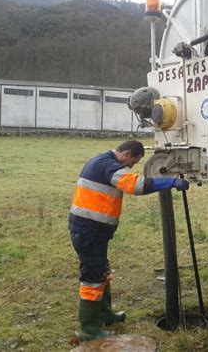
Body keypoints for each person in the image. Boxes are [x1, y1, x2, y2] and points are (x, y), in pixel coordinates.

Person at [69, 140, 188, 341]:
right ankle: (89, 330)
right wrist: (171, 181)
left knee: (101, 272)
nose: (131, 166)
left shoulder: (99, 161)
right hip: (89, 232)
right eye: (133, 161)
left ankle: (105, 315)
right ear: (125, 153)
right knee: (93, 278)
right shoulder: (109, 166)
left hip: (91, 231)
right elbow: (137, 185)